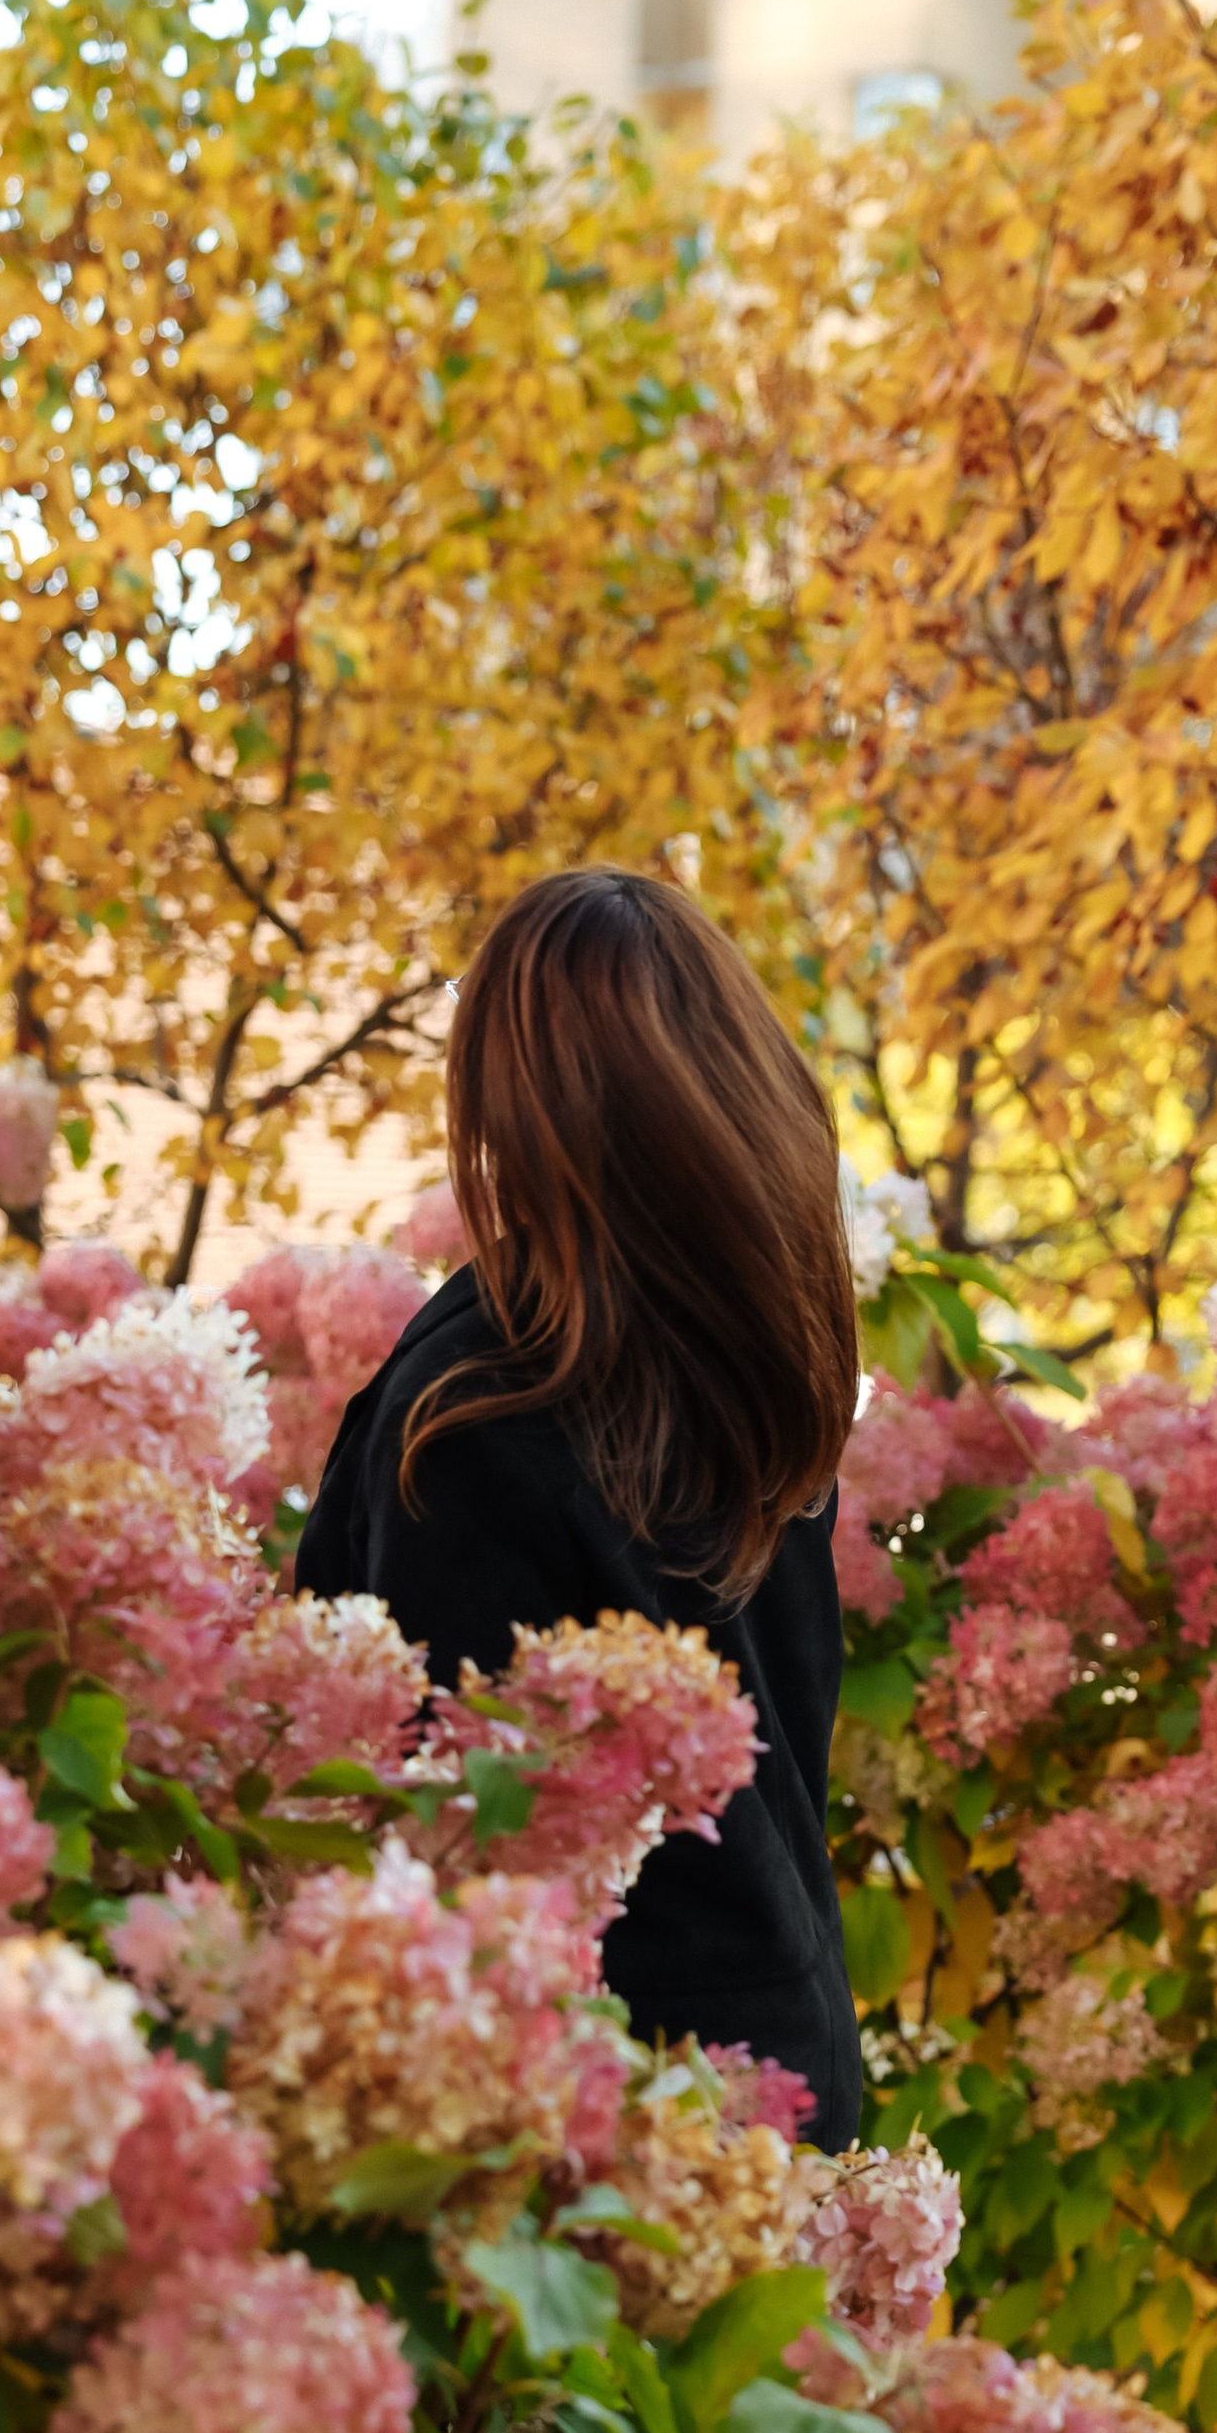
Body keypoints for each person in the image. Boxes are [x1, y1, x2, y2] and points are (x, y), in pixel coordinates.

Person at [296, 868, 863, 2146]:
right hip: (786, 2051)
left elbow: (438, 1823)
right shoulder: (769, 1356)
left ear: (509, 1099)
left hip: (604, 2098)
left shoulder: (479, 1409)